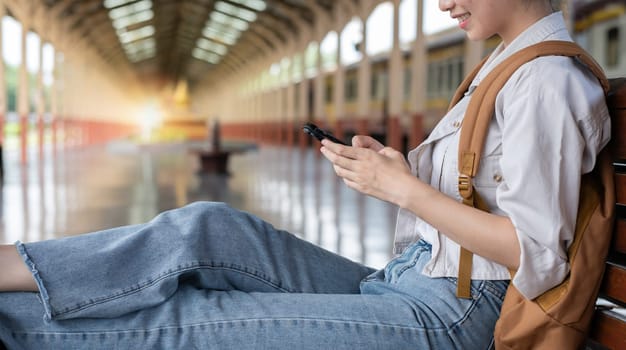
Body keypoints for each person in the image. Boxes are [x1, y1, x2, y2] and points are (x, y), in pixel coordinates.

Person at [0, 0, 610, 348]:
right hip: (417, 281)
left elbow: (536, 253)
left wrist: (406, 190)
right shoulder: (508, 69)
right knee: (210, 226)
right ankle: (11, 264)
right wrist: (393, 172)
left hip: (455, 315)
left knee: (196, 323)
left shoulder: (546, 81)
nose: (443, 1)